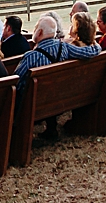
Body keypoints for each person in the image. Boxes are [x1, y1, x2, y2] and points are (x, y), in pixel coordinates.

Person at [14, 14, 100, 144]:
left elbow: (16, 83)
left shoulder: (30, 57)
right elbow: (88, 52)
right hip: (54, 100)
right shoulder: (64, 47)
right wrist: (97, 46)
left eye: (36, 26)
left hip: (32, 104)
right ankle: (51, 127)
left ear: (40, 32)